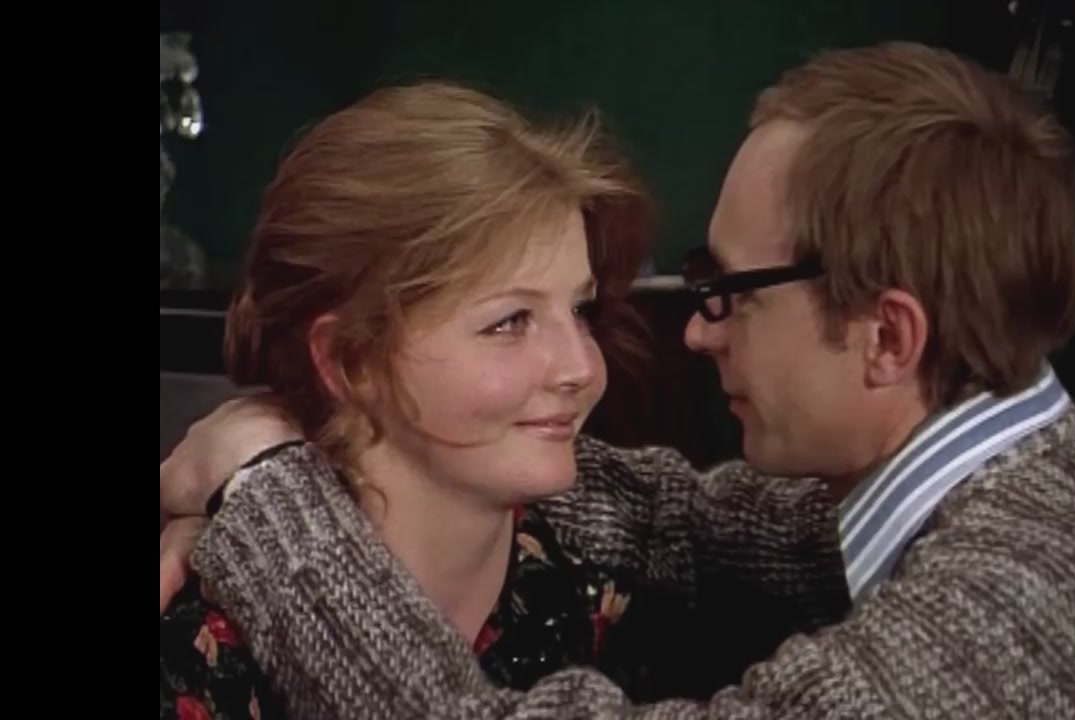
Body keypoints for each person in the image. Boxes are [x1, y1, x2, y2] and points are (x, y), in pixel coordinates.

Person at [160, 42, 1075, 718]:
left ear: (889, 337)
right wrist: (317, 448)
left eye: (729, 292)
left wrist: (271, 494)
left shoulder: (1012, 613)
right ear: (348, 360)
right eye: (510, 321)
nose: (694, 333)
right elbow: (692, 522)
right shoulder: (1056, 482)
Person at [159, 79, 851, 719]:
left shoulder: (602, 566)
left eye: (580, 311)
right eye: (509, 322)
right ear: (350, 360)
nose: (581, 367)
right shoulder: (198, 649)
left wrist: (259, 478)